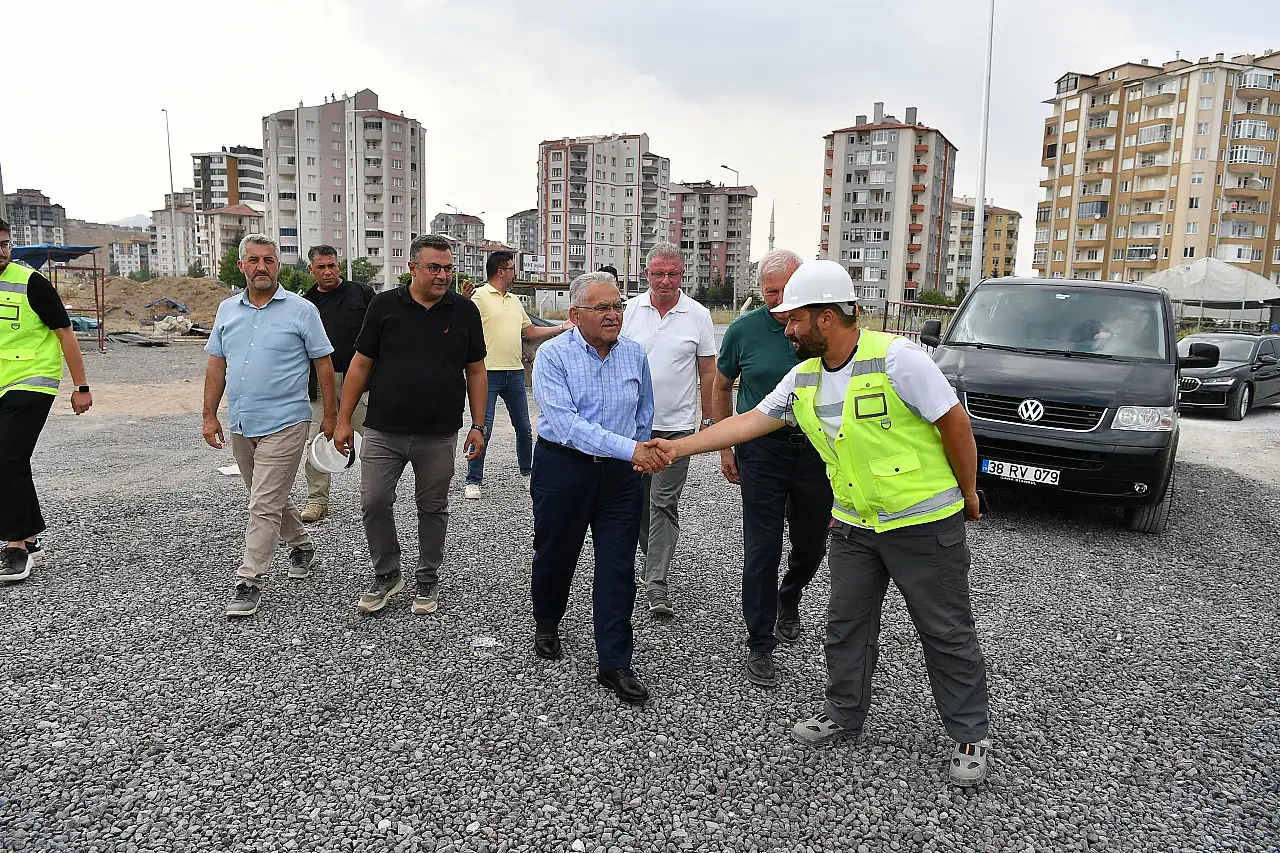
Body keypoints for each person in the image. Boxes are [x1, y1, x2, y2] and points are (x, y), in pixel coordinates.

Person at [648, 260, 994, 787]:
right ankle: (844, 712)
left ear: (826, 317)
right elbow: (749, 421)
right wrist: (678, 447)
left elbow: (955, 424)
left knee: (944, 629)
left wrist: (968, 494)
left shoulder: (898, 359)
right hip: (854, 524)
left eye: (794, 320)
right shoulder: (804, 375)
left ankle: (969, 732)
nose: (786, 329)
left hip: (922, 522)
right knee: (846, 625)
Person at [333, 235, 487, 617]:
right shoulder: (384, 306)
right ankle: (387, 573)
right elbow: (360, 364)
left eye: (448, 268)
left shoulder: (464, 311)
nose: (442, 276)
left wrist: (478, 424)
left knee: (432, 507)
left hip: (439, 433)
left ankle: (427, 576)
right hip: (383, 429)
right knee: (373, 501)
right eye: (434, 268)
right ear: (412, 268)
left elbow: (476, 370)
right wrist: (342, 421)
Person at [529, 271, 664, 705]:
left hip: (621, 476)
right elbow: (567, 425)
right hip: (563, 469)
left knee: (617, 567)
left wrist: (636, 455)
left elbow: (644, 411)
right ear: (574, 314)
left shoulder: (634, 354)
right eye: (602, 307)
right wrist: (632, 449)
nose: (613, 314)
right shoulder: (553, 355)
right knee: (556, 552)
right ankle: (547, 621)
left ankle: (615, 661)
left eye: (618, 306)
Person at [712, 249, 831, 688]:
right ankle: (760, 642)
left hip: (816, 453)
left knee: (811, 546)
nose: (779, 300)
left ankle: (790, 596)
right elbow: (721, 386)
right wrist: (726, 446)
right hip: (761, 451)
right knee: (762, 550)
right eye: (770, 292)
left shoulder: (819, 329)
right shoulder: (744, 331)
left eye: (786, 291)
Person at [203, 234, 337, 618]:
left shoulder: (302, 310)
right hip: (242, 422)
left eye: (269, 260)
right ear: (241, 266)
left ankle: (249, 580)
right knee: (268, 496)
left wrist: (330, 416)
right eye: (253, 260)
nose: (261, 267)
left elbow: (324, 364)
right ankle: (302, 544)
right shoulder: (227, 310)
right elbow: (216, 364)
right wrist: (209, 415)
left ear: (278, 265)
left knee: (262, 503)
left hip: (287, 421)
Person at [620, 242, 717, 617]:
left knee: (663, 502)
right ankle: (653, 558)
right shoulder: (629, 311)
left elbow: (707, 371)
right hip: (632, 428)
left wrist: (708, 419)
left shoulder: (698, 315)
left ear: (682, 275)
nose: (665, 280)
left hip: (676, 429)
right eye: (658, 273)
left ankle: (656, 583)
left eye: (672, 273)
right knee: (637, 503)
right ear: (646, 274)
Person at [0, 218, 94, 583]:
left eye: (4, 244)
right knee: (11, 459)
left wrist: (81, 386)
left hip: (32, 380)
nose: (1, 252)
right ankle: (30, 536)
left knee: (7, 457)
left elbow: (66, 333)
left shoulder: (30, 282)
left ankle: (16, 547)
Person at [462, 250, 570, 500]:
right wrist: (462, 300)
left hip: (515, 372)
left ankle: (527, 473)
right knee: (483, 428)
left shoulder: (513, 300)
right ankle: (473, 479)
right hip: (487, 373)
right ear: (501, 271)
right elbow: (461, 322)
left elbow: (530, 331)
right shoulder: (478, 296)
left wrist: (561, 327)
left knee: (523, 427)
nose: (515, 273)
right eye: (512, 269)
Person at [299, 245, 375, 522]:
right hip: (322, 384)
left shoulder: (363, 294)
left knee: (374, 442)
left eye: (332, 265)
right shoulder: (305, 304)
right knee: (317, 442)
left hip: (362, 383)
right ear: (311, 269)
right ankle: (317, 501)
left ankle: (375, 499)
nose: (328, 271)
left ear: (339, 266)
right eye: (321, 267)